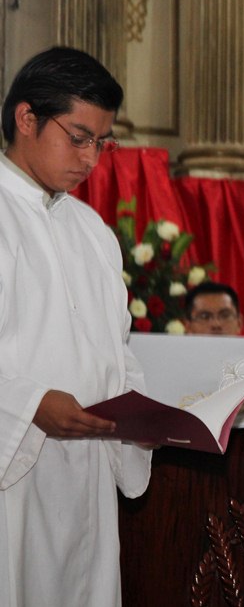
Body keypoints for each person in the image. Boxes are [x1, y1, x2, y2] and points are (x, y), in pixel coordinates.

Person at [0, 47, 151, 605]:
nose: (91, 159)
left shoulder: (94, 231)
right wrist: (31, 404)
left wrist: (140, 413)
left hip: (84, 476)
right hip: (14, 475)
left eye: (102, 143)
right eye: (79, 137)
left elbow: (117, 350)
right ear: (26, 118)